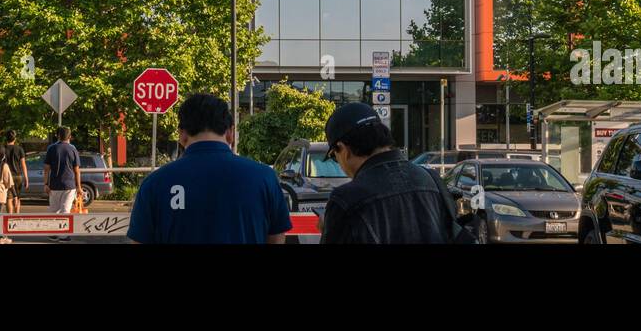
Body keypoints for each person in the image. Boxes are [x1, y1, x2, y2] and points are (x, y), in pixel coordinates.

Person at [127, 93, 291, 244]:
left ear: (182, 134)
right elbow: (276, 238)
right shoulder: (264, 178)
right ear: (230, 133)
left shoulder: (155, 183)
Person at [319, 102, 467, 244]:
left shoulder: (345, 200)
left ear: (343, 149)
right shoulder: (431, 179)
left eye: (334, 156)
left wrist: (330, 227)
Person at [43, 126, 82, 215]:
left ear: (58, 136)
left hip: (54, 186)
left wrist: (45, 184)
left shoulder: (51, 149)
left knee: (53, 213)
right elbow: (76, 170)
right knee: (65, 212)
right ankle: (65, 228)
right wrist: (79, 187)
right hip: (69, 186)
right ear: (70, 137)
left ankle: (54, 229)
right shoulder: (73, 149)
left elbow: (46, 169)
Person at [2, 129, 28, 214]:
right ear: (15, 139)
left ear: (6, 139)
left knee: (9, 198)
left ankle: (9, 217)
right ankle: (17, 216)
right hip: (18, 176)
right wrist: (26, 178)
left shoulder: (3, 149)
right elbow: (23, 164)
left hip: (8, 177)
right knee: (18, 197)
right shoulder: (20, 149)